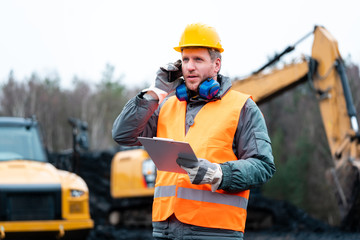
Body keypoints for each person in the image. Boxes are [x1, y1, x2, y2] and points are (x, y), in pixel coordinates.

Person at [112, 23, 275, 240]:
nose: (189, 67)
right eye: (185, 59)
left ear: (216, 64)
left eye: (198, 60)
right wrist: (156, 92)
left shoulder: (242, 107)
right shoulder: (165, 106)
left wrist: (219, 173)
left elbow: (263, 166)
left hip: (215, 232)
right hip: (165, 231)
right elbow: (123, 134)